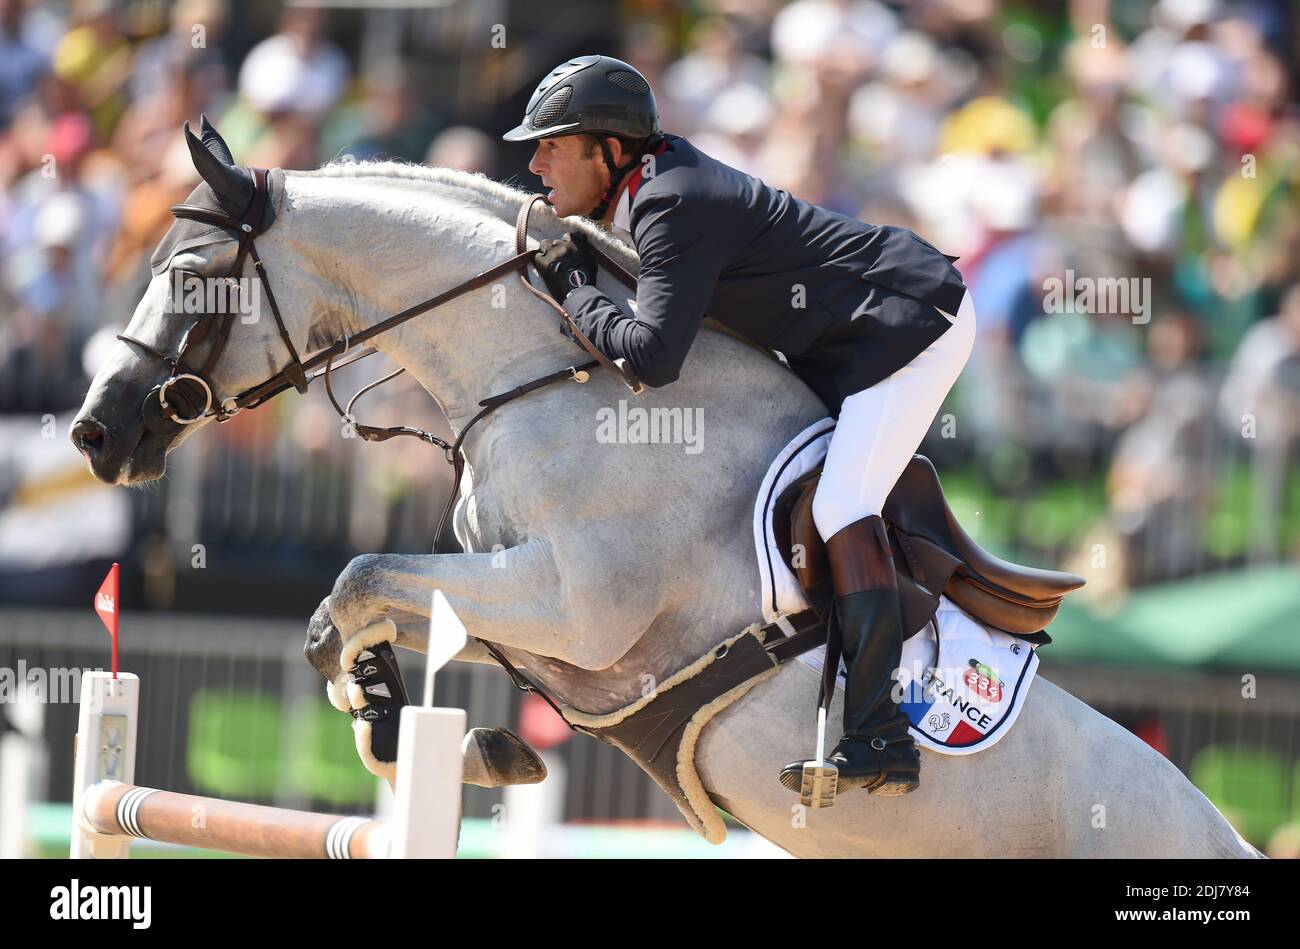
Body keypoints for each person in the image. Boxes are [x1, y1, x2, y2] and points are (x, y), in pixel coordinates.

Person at [502, 54, 976, 798]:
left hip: (909, 322)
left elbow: (652, 360)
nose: (535, 162)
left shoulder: (671, 201)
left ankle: (881, 732)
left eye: (553, 144)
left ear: (611, 150)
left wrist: (569, 287)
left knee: (841, 504)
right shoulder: (649, 193)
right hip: (839, 339)